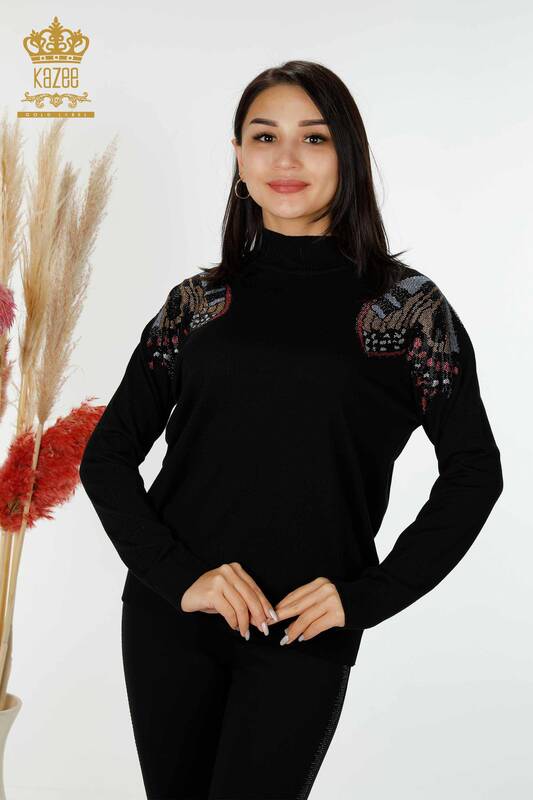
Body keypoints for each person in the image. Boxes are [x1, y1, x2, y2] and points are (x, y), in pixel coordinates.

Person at [79, 60, 504, 800]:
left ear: (347, 154)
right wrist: (179, 578)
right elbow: (107, 456)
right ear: (238, 158)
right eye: (264, 136)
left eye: (313, 137)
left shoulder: (407, 310)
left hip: (304, 629)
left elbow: (474, 471)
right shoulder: (197, 304)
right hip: (170, 619)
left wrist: (366, 596)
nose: (285, 159)